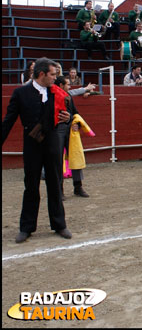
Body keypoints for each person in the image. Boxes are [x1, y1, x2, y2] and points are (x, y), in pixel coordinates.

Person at [2, 57, 72, 243]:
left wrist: (68, 117)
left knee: (55, 185)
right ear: (41, 74)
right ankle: (26, 227)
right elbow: (8, 121)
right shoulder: (21, 93)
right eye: (53, 75)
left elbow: (70, 114)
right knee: (31, 186)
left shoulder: (56, 92)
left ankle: (59, 224)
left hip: (52, 144)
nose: (55, 78)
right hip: (32, 145)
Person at [53, 75, 90, 198]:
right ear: (61, 86)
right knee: (58, 159)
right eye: (67, 84)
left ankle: (78, 187)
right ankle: (59, 190)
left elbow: (75, 113)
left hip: (69, 130)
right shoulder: (52, 97)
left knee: (75, 156)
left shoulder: (68, 97)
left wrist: (77, 124)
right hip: (57, 130)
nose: (69, 86)